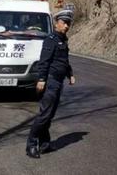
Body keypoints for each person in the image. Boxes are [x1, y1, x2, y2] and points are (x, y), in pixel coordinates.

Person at [26, 9, 76, 158]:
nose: (66, 26)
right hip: (50, 81)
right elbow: (44, 61)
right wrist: (42, 79)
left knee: (50, 114)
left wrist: (70, 74)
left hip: (59, 81)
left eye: (68, 23)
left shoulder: (63, 40)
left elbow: (64, 61)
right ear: (57, 23)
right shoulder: (51, 39)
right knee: (44, 115)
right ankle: (31, 145)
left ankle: (44, 144)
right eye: (64, 23)